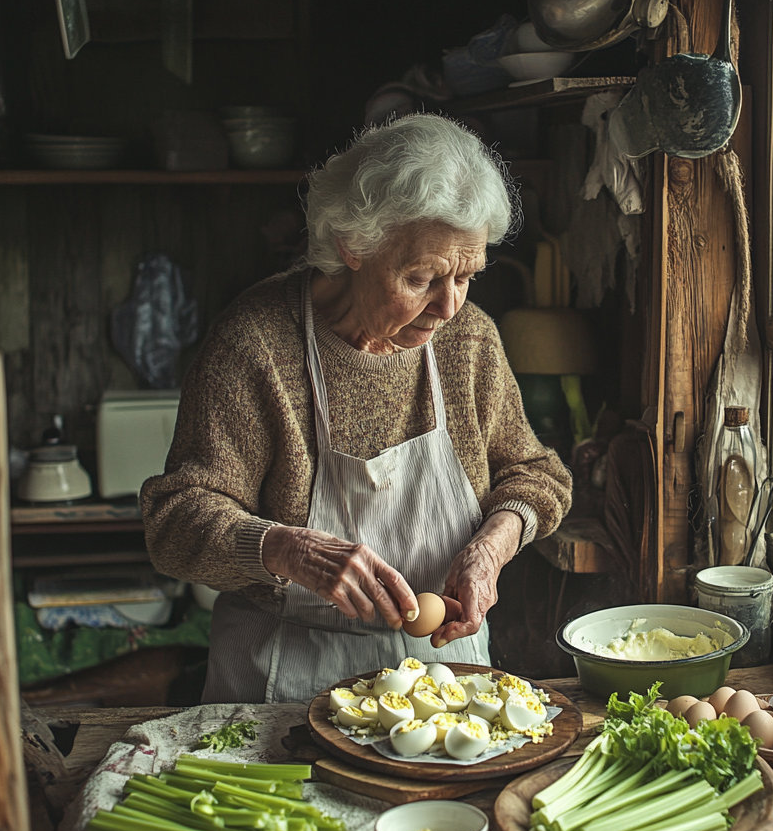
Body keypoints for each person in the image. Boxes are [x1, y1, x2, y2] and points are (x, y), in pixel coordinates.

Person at [140, 114, 572, 703]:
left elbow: (537, 474)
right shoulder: (258, 344)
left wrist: (491, 547)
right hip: (283, 683)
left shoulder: (469, 340)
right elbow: (174, 522)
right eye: (421, 277)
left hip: (444, 687)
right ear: (354, 247)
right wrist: (287, 550)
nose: (449, 307)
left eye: (467, 276)